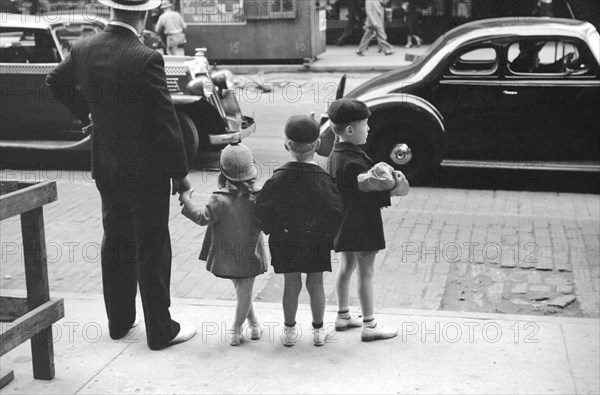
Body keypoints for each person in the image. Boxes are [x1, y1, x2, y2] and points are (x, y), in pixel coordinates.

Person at [46, 0, 196, 350]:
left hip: (107, 164)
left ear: (111, 11)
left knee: (116, 239)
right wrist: (180, 174)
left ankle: (119, 322)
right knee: (152, 245)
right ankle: (160, 329)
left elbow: (54, 81)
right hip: (148, 170)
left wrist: (87, 114)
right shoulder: (145, 57)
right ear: (143, 15)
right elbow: (166, 121)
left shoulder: (83, 48)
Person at [255, 115, 343, 347]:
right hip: (317, 241)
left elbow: (262, 209)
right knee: (316, 284)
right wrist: (326, 235)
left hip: (285, 241)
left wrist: (274, 230)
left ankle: (290, 330)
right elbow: (335, 211)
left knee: (291, 284)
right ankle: (318, 330)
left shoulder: (278, 177)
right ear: (317, 144)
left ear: (287, 144)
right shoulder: (324, 180)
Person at [326, 98, 409, 342]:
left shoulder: (336, 153)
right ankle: (370, 325)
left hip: (344, 223)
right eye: (365, 124)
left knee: (346, 267)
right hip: (361, 225)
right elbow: (361, 197)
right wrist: (391, 191)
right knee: (366, 273)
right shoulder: (352, 161)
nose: (369, 129)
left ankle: (343, 315)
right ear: (350, 130)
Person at [179, 143, 268, 346]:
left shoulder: (218, 199)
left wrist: (186, 200)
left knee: (242, 292)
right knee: (244, 292)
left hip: (227, 258)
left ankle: (254, 324)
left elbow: (201, 217)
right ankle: (236, 331)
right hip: (249, 256)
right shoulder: (257, 197)